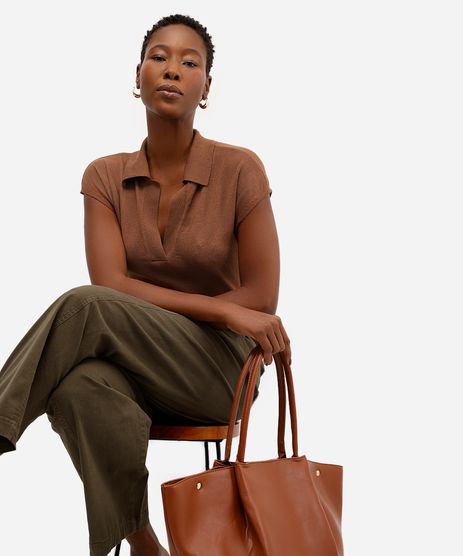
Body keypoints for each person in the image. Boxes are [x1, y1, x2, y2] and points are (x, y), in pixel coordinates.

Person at [0, 13, 291, 556]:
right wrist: (220, 307)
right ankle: (144, 545)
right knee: (79, 387)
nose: (172, 69)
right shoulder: (104, 176)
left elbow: (260, 298)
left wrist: (223, 318)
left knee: (85, 306)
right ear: (138, 76)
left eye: (189, 62)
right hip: (137, 365)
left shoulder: (240, 169)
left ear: (207, 87)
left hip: (218, 370)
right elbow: (110, 282)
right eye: (159, 57)